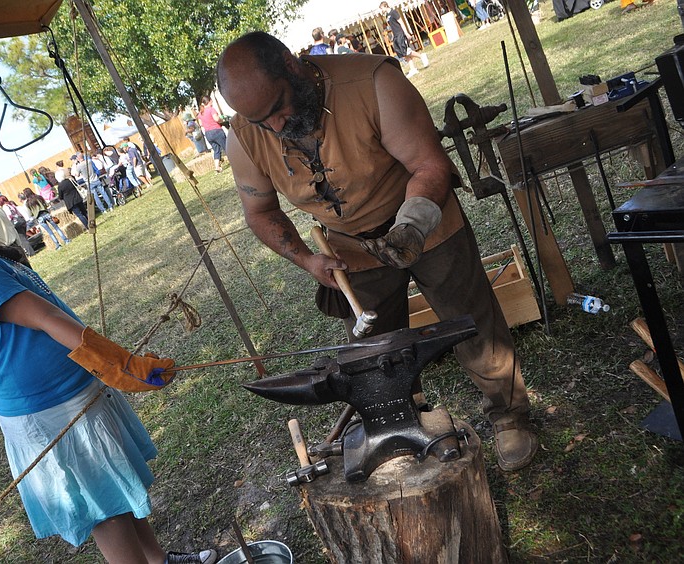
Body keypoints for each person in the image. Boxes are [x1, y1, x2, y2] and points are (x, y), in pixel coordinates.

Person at [217, 31, 537, 472]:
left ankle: (509, 414)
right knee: (376, 354)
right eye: (259, 121)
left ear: (292, 65)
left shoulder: (372, 82)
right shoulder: (244, 136)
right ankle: (408, 422)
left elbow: (428, 164)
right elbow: (260, 211)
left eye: (278, 107)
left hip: (425, 217)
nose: (274, 126)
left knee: (471, 321)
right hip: (350, 248)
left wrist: (411, 227)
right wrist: (307, 260)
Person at [0, 148, 217, 564]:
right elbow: (47, 318)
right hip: (47, 408)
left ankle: (159, 561)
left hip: (73, 388)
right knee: (107, 511)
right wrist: (121, 365)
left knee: (118, 493)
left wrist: (112, 365)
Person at [379, 1, 429, 76]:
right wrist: (393, 36)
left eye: (381, 8)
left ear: (385, 6)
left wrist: (406, 33)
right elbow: (392, 26)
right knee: (403, 53)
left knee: (406, 51)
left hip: (400, 34)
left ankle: (421, 56)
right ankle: (413, 69)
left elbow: (401, 22)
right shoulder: (387, 16)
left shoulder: (393, 12)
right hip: (396, 36)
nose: (381, 10)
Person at [197, 95, 227, 173]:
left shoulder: (201, 113)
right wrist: (222, 119)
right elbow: (216, 119)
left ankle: (217, 167)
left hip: (208, 134)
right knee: (226, 146)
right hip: (217, 131)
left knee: (216, 150)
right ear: (209, 101)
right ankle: (235, 161)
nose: (212, 102)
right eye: (211, 100)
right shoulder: (211, 109)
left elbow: (201, 124)